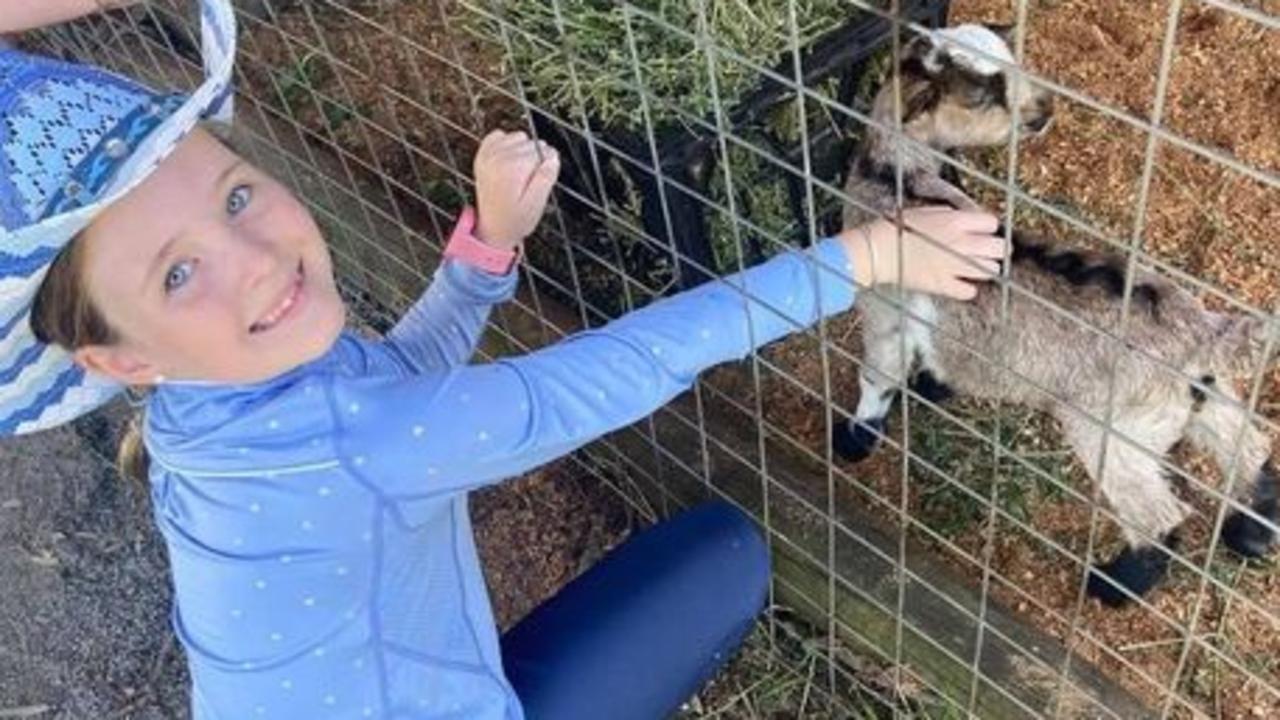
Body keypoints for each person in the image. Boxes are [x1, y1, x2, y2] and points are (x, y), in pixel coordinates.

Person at [0, 1, 1006, 717]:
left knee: (714, 556)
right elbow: (610, 372)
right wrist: (859, 255)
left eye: (234, 198)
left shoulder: (208, 401)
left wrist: (482, 249)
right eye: (177, 275)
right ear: (117, 358)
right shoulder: (344, 439)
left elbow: (395, 388)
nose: (257, 260)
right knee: (726, 558)